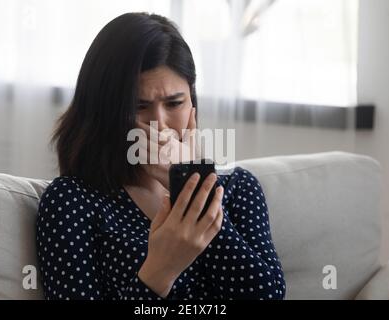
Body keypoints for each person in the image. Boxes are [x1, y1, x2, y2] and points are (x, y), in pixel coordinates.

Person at [36, 12, 286, 300]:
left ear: (192, 102)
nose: (160, 124)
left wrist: (191, 189)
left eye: (174, 103)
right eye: (139, 106)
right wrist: (160, 271)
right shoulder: (73, 200)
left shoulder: (237, 188)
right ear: (104, 113)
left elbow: (268, 297)